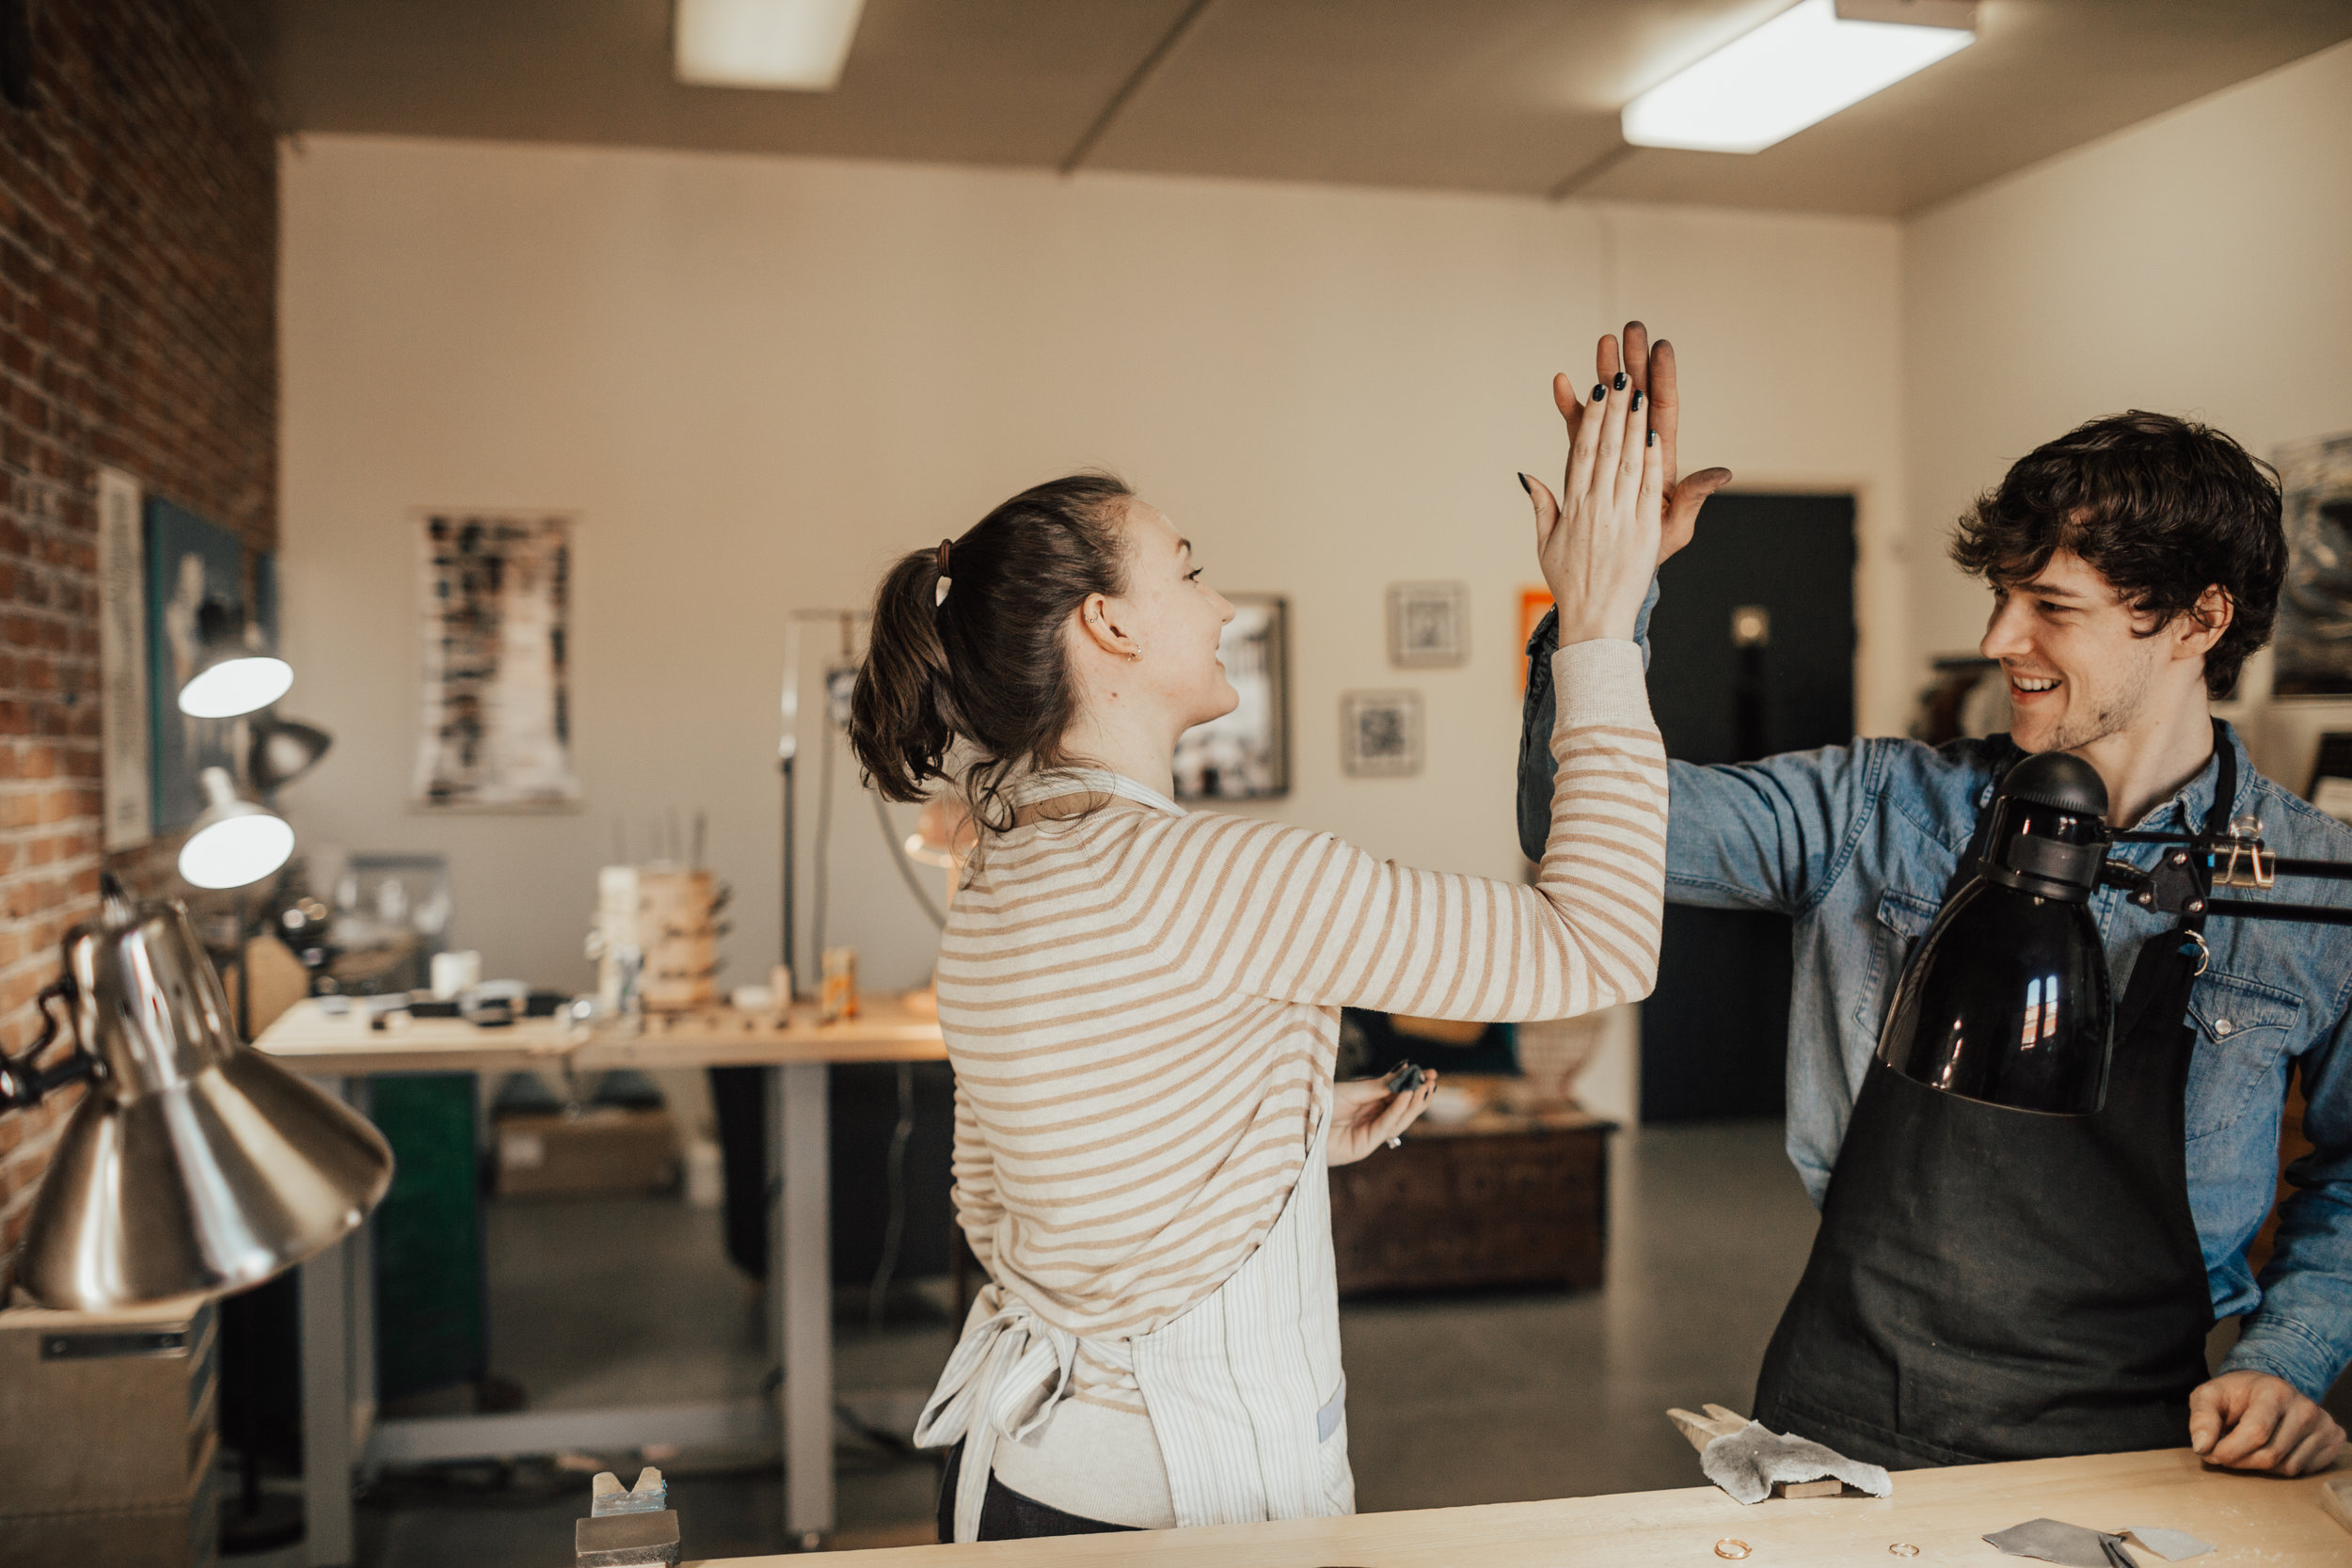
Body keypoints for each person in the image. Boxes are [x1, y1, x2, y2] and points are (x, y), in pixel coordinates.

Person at [851, 354, 1672, 1541]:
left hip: (1018, 1480)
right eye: (1189, 569)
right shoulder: (1215, 875)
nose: (1222, 603)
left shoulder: (999, 864)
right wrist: (1597, 629)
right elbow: (1595, 945)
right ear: (1108, 622)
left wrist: (1268, 1125)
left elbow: (1016, 1187)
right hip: (1185, 1510)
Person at [1518, 339, 2351, 1478]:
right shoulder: (1876, 807)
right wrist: (1601, 609)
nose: (2001, 638)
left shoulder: (2312, 887)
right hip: (1843, 1411)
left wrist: (2288, 1359)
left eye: (2050, 604)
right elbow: (1580, 815)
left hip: (2143, 1448)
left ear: (2199, 619)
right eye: (2001, 597)